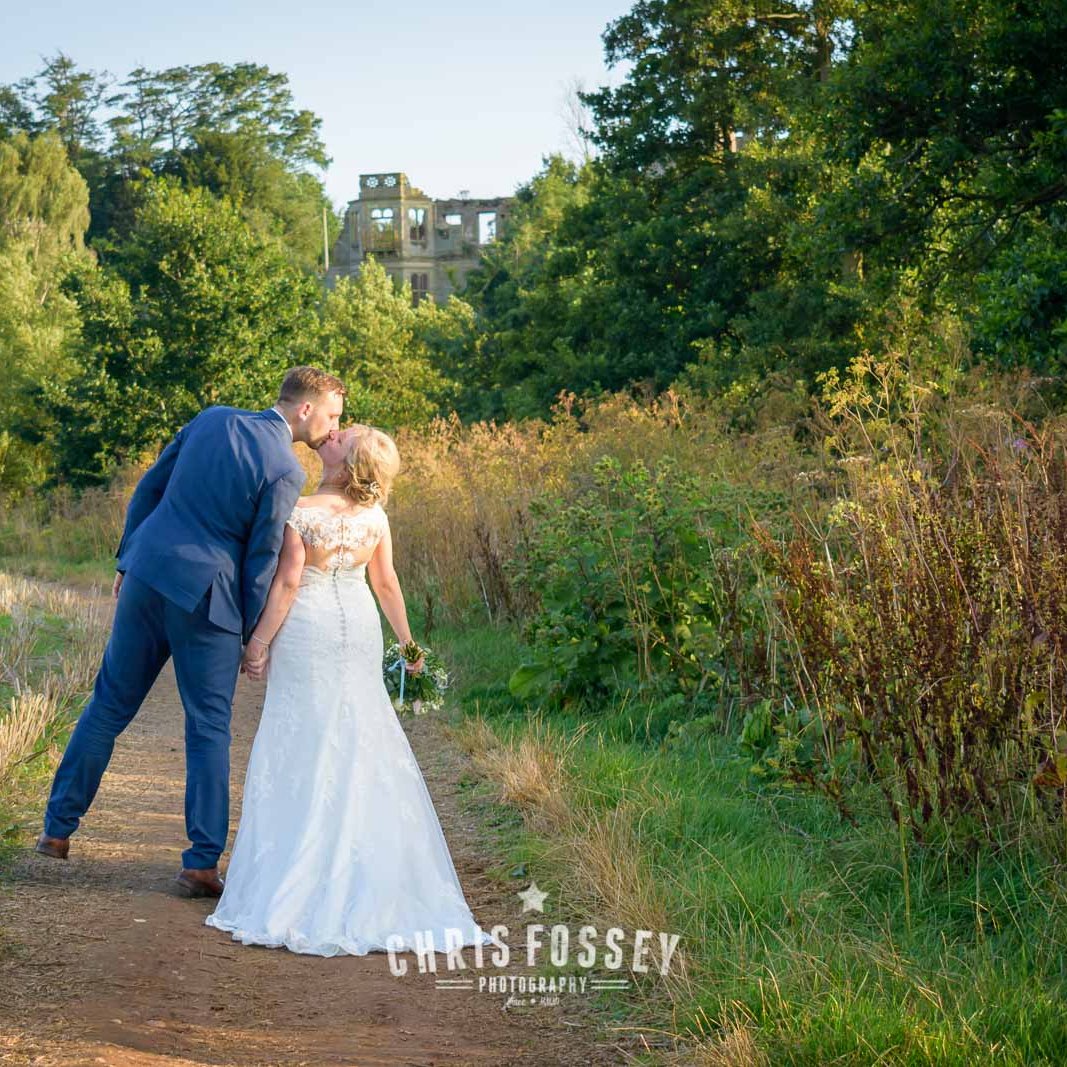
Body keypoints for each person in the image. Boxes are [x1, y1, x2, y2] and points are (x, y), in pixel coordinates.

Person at [35, 367, 346, 900]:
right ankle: (200, 865)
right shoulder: (283, 470)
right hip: (208, 600)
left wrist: (127, 555)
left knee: (107, 706)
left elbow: (151, 484)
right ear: (305, 410)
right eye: (334, 415)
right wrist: (254, 633)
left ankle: (56, 832)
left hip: (148, 572)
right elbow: (261, 557)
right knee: (208, 727)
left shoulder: (211, 420)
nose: (335, 427)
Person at [204, 426, 493, 956]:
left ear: (346, 461)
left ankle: (297, 874)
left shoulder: (302, 510)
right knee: (362, 731)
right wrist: (407, 645)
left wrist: (258, 644)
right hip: (359, 626)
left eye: (343, 437)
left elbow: (289, 584)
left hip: (309, 629)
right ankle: (369, 863)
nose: (332, 436)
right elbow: (386, 583)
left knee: (303, 734)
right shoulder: (375, 517)